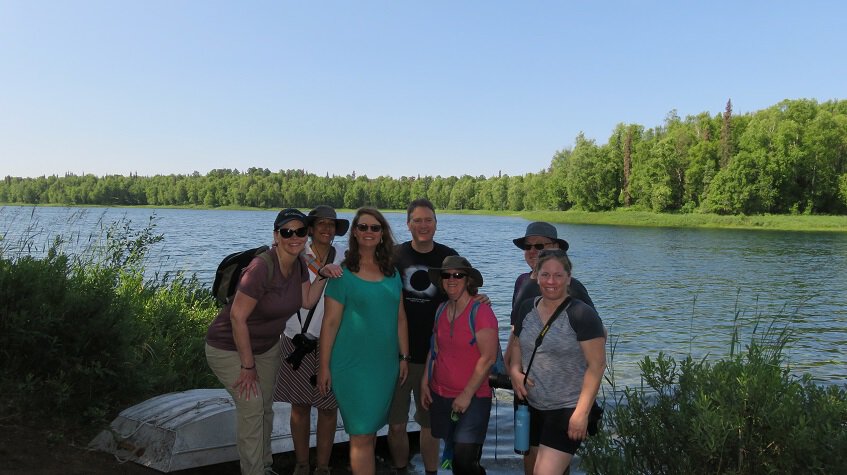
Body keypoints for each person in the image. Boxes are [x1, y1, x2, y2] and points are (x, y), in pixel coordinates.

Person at [205, 208, 342, 475]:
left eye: (300, 231)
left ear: (306, 234)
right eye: (287, 232)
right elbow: (237, 318)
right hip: (229, 347)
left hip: (266, 347)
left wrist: (323, 275)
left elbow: (307, 300)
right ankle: (253, 470)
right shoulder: (261, 267)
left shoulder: (300, 264)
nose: (295, 237)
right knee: (252, 408)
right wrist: (247, 366)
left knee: (265, 409)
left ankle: (264, 465)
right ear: (276, 235)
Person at [317, 207, 410, 475]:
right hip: (351, 367)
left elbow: (400, 318)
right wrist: (323, 367)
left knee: (369, 434)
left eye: (375, 228)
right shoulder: (342, 274)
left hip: (384, 366)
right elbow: (330, 324)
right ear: (355, 233)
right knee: (360, 435)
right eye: (363, 227)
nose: (369, 232)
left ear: (382, 234)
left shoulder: (392, 273)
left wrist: (404, 357)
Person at [504, 221, 595, 475]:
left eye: (540, 246)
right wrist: (511, 368)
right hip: (526, 387)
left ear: (555, 248)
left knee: (552, 463)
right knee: (529, 453)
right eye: (527, 246)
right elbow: (517, 330)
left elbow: (597, 337)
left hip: (561, 395)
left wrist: (582, 405)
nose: (532, 251)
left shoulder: (571, 287)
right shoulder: (522, 281)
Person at [274, 205, 349, 475]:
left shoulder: (344, 255)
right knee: (300, 406)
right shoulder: (294, 249)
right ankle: (302, 463)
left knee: (328, 408)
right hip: (295, 340)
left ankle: (324, 466)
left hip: (331, 341)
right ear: (311, 227)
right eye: (322, 224)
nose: (327, 229)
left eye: (332, 225)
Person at [388, 198, 458, 474]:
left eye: (428, 219)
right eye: (417, 220)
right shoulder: (394, 256)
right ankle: (401, 468)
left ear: (436, 224)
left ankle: (430, 472)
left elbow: (463, 293)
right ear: (408, 224)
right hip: (398, 354)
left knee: (429, 425)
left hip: (434, 355)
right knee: (396, 424)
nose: (423, 225)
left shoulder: (447, 257)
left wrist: (480, 299)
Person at [421, 256, 497, 475]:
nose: (451, 279)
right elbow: (435, 348)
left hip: (473, 397)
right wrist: (425, 380)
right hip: (441, 393)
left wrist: (466, 395)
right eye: (446, 275)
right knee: (455, 458)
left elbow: (488, 358)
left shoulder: (481, 312)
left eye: (458, 275)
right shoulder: (441, 309)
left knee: (465, 459)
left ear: (468, 280)